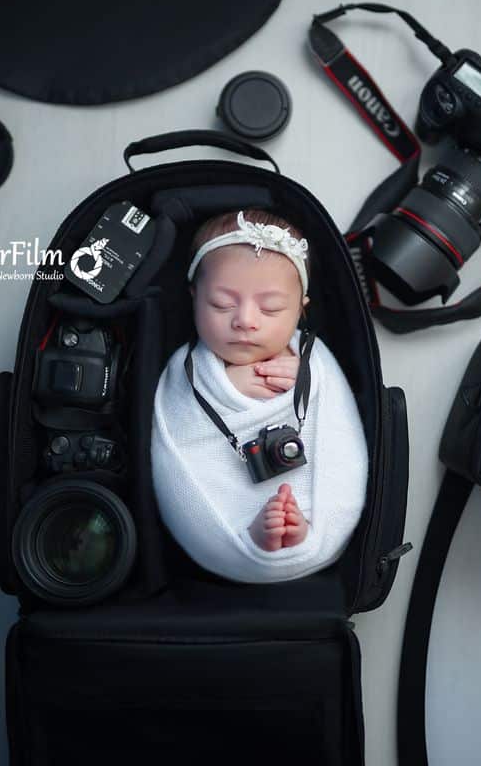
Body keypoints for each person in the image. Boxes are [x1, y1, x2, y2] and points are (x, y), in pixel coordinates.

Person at [151, 209, 368, 583]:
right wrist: (228, 387)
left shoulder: (313, 357)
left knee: (321, 479)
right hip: (226, 500)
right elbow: (179, 431)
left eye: (271, 308)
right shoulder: (187, 367)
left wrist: (308, 380)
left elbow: (336, 421)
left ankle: (306, 531)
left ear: (301, 308)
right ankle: (250, 537)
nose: (246, 321)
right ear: (194, 296)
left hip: (305, 484)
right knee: (211, 494)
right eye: (221, 303)